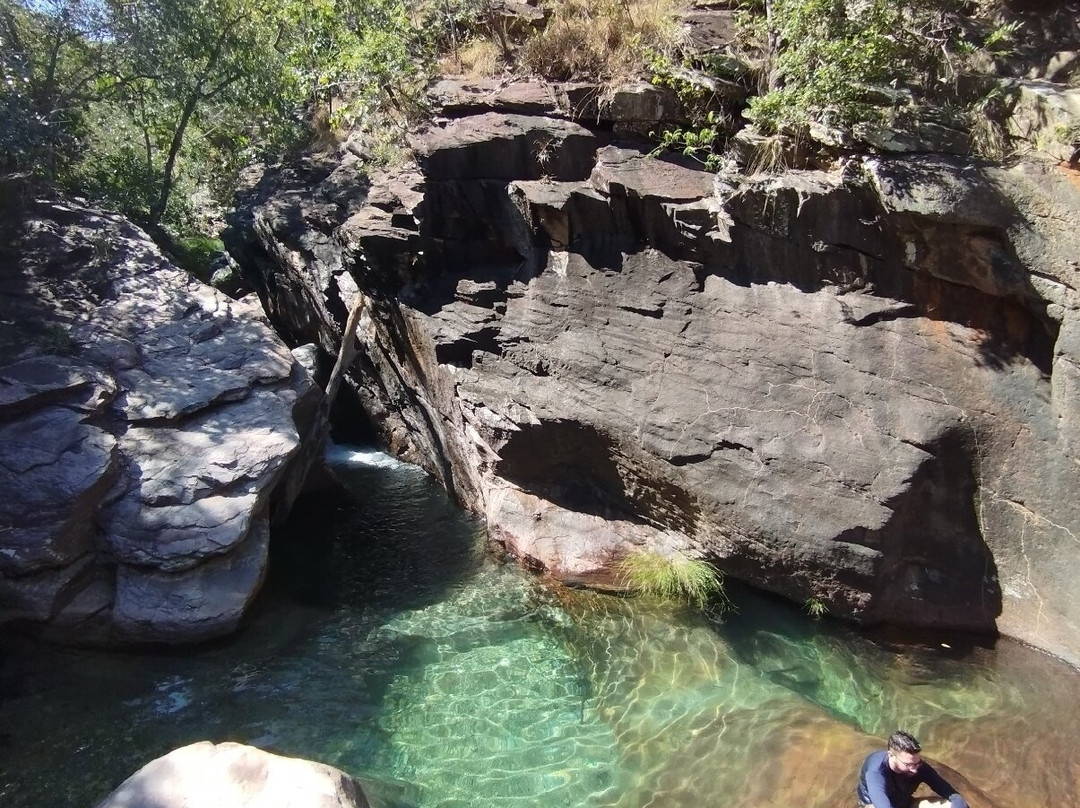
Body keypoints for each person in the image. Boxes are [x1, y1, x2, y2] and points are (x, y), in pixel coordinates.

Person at [857, 730, 969, 808]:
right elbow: (882, 805)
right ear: (891, 756)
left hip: (904, 802)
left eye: (917, 762)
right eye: (908, 764)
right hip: (875, 805)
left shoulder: (919, 767)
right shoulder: (876, 772)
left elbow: (953, 795)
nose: (914, 769)